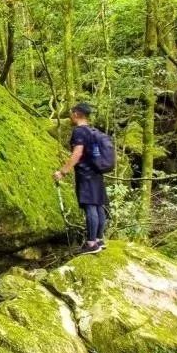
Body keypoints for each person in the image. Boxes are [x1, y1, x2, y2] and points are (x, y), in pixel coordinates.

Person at [52, 103, 107, 254]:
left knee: (90, 207)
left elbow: (77, 154)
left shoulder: (79, 132)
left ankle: (91, 244)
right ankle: (99, 240)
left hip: (86, 174)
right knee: (98, 206)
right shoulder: (93, 131)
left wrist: (62, 172)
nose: (70, 116)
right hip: (97, 173)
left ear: (76, 114)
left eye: (71, 113)